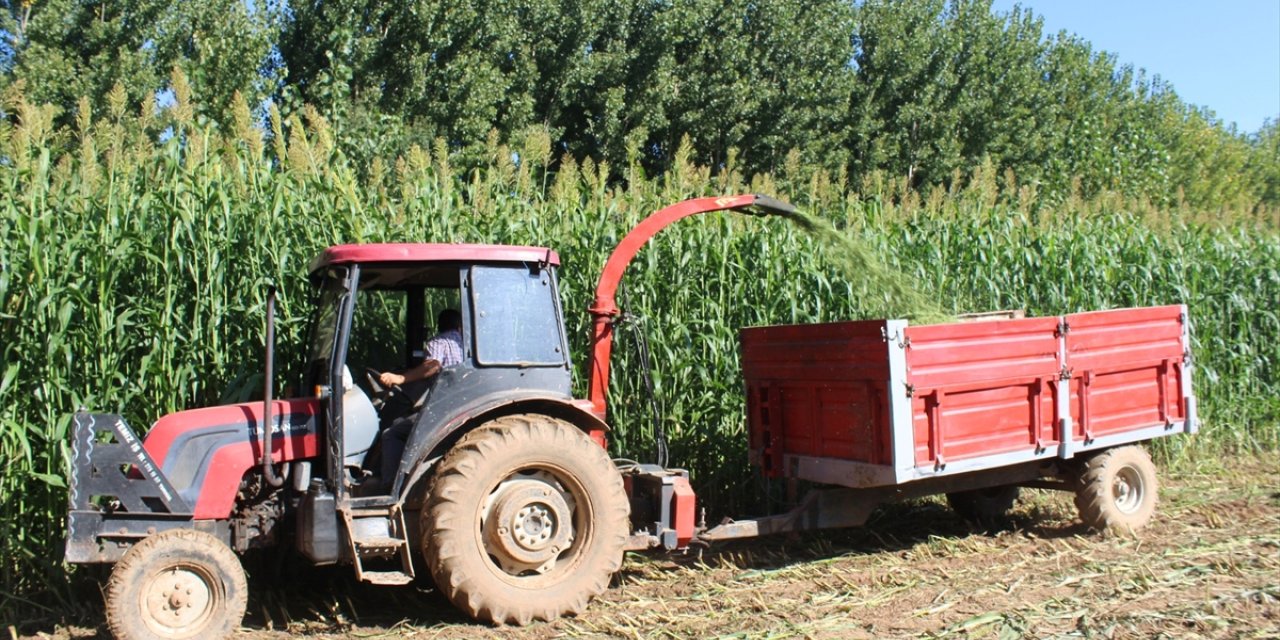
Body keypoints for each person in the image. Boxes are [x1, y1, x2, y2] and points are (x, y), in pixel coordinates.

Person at [378, 309, 463, 483]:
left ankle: (390, 485)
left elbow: (433, 365)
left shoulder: (439, 341)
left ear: (439, 325)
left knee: (391, 433)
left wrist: (401, 378)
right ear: (459, 326)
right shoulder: (468, 343)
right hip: (461, 404)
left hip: (443, 408)